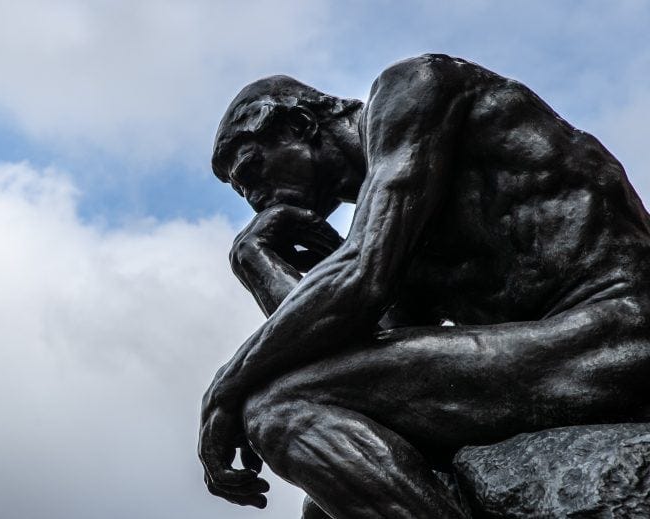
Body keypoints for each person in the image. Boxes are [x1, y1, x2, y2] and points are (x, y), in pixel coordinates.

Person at [199, 54, 650, 518]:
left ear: (298, 125)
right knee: (331, 488)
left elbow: (358, 283)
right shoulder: (393, 229)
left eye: (253, 171)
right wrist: (253, 259)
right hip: (563, 354)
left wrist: (226, 389)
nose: (255, 201)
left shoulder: (415, 88)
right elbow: (345, 349)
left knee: (280, 410)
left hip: (620, 326)